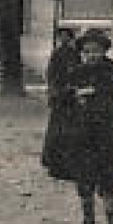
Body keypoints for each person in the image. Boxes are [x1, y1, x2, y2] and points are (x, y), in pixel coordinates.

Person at [48, 27, 113, 224]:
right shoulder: (76, 72)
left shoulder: (112, 73)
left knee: (107, 185)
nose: (91, 55)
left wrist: (93, 96)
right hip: (81, 138)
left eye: (96, 51)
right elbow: (59, 99)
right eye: (86, 52)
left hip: (105, 139)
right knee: (84, 182)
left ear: (104, 51)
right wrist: (72, 94)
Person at [40, 27, 80, 178]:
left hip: (71, 97)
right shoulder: (56, 53)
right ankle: (53, 162)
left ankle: (69, 163)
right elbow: (50, 73)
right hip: (59, 97)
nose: (63, 38)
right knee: (56, 130)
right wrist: (52, 91)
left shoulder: (74, 54)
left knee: (70, 130)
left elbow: (78, 72)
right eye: (61, 36)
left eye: (66, 36)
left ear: (70, 38)